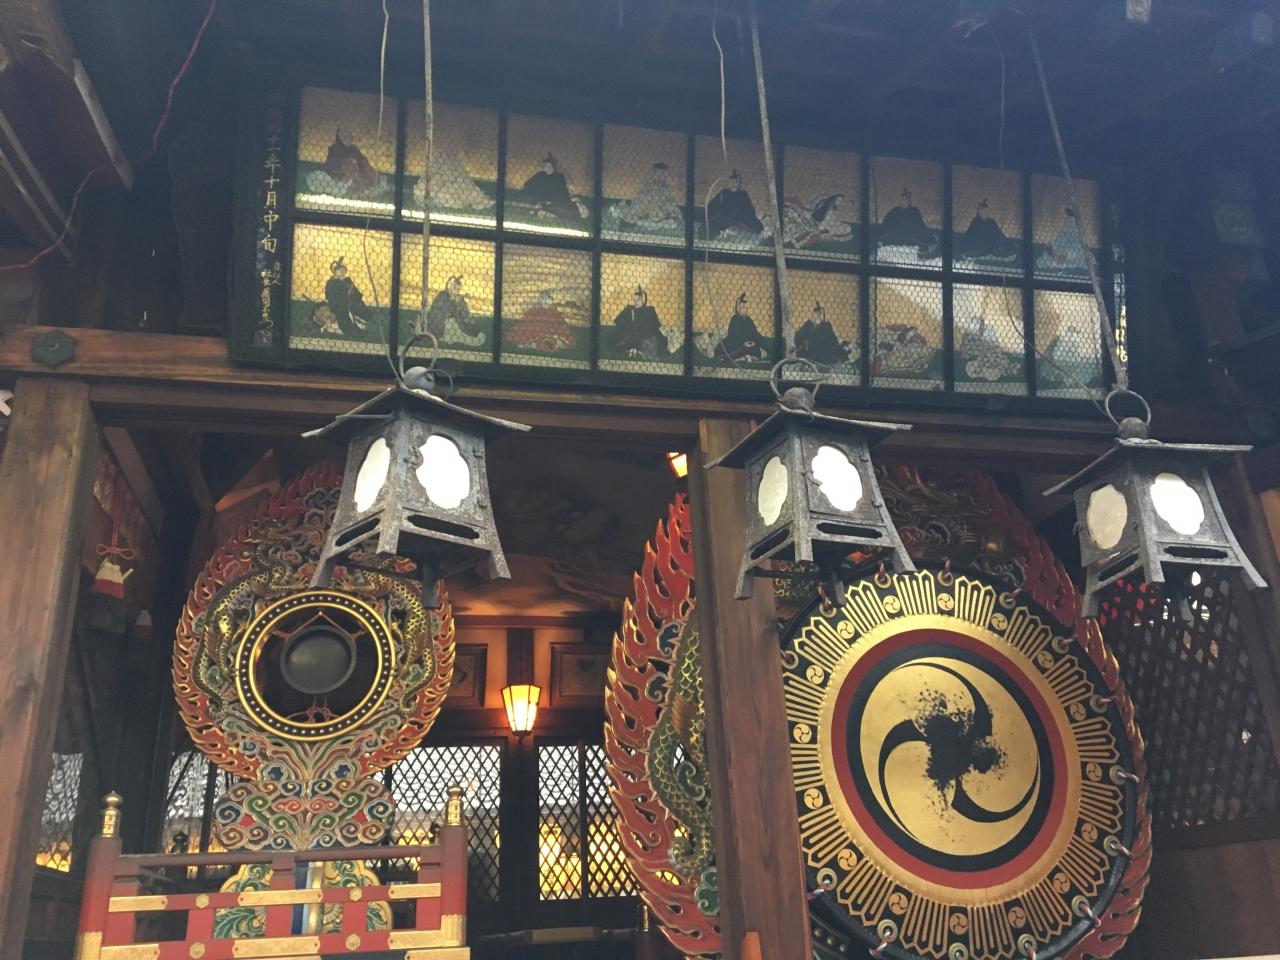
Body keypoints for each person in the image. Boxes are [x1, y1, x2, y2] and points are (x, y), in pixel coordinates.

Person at [306, 129, 386, 198]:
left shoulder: (354, 150)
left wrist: (363, 167)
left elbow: (363, 162)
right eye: (345, 136)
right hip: (341, 178)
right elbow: (332, 167)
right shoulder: (335, 150)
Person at [614, 162, 682, 230]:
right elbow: (672, 217)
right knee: (657, 187)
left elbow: (641, 215)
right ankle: (659, 172)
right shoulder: (661, 223)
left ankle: (658, 172)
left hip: (651, 201)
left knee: (654, 187)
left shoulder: (635, 220)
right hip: (655, 202)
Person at [878, 187, 940, 258]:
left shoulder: (914, 211)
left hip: (911, 235)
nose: (904, 202)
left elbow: (920, 225)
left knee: (925, 239)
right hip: (896, 236)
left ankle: (925, 247)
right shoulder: (895, 211)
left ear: (909, 201)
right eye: (902, 200)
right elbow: (887, 222)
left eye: (906, 200)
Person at [508, 290, 577, 352]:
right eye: (543, 298)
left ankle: (543, 342)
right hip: (539, 333)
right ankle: (540, 342)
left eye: (547, 297)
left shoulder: (553, 311)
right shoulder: (534, 310)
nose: (545, 300)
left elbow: (560, 326)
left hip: (549, 333)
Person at [426, 275, 486, 346]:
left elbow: (465, 315)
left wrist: (459, 304)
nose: (456, 291)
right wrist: (453, 301)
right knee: (451, 325)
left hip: (455, 327)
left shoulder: (459, 299)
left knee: (457, 328)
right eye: (455, 288)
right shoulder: (441, 295)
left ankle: (472, 338)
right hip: (440, 327)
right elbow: (438, 312)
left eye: (458, 290)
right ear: (450, 286)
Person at [520, 154, 582, 221]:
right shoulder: (540, 175)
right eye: (545, 165)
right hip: (539, 198)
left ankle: (544, 210)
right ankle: (542, 209)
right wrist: (533, 193)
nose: (546, 167)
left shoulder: (559, 177)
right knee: (525, 200)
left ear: (553, 167)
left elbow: (562, 191)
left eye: (549, 166)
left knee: (564, 208)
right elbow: (528, 184)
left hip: (554, 200)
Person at [706, 169, 764, 240]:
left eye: (736, 182)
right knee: (713, 223)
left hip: (740, 219)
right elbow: (712, 205)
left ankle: (735, 228)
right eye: (732, 181)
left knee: (758, 226)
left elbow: (750, 210)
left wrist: (745, 214)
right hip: (725, 217)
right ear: (729, 182)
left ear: (739, 183)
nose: (734, 183)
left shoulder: (743, 194)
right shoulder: (724, 192)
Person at [612, 287, 668, 359]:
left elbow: (655, 326)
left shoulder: (649, 310)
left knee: (656, 342)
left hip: (645, 338)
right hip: (630, 337)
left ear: (643, 300)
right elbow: (618, 323)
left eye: (638, 299)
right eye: (634, 299)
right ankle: (632, 350)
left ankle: (636, 350)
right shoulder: (629, 309)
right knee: (620, 342)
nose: (636, 301)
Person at [782, 193, 853, 248]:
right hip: (801, 219)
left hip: (797, 227)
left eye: (841, 228)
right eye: (841, 224)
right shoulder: (827, 221)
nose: (839, 224)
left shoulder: (820, 235)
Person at [714, 292, 768, 362]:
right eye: (742, 307)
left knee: (756, 346)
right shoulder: (735, 319)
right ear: (738, 308)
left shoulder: (749, 320)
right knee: (721, 349)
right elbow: (733, 337)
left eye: (745, 307)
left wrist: (753, 342)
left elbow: (755, 334)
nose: (744, 309)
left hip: (747, 346)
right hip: (735, 345)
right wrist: (743, 345)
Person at [323, 258, 368, 335]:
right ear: (335, 271)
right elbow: (329, 296)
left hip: (350, 305)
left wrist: (351, 292)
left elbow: (358, 295)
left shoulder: (347, 281)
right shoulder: (330, 282)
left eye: (344, 270)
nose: (342, 271)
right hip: (338, 307)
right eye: (340, 269)